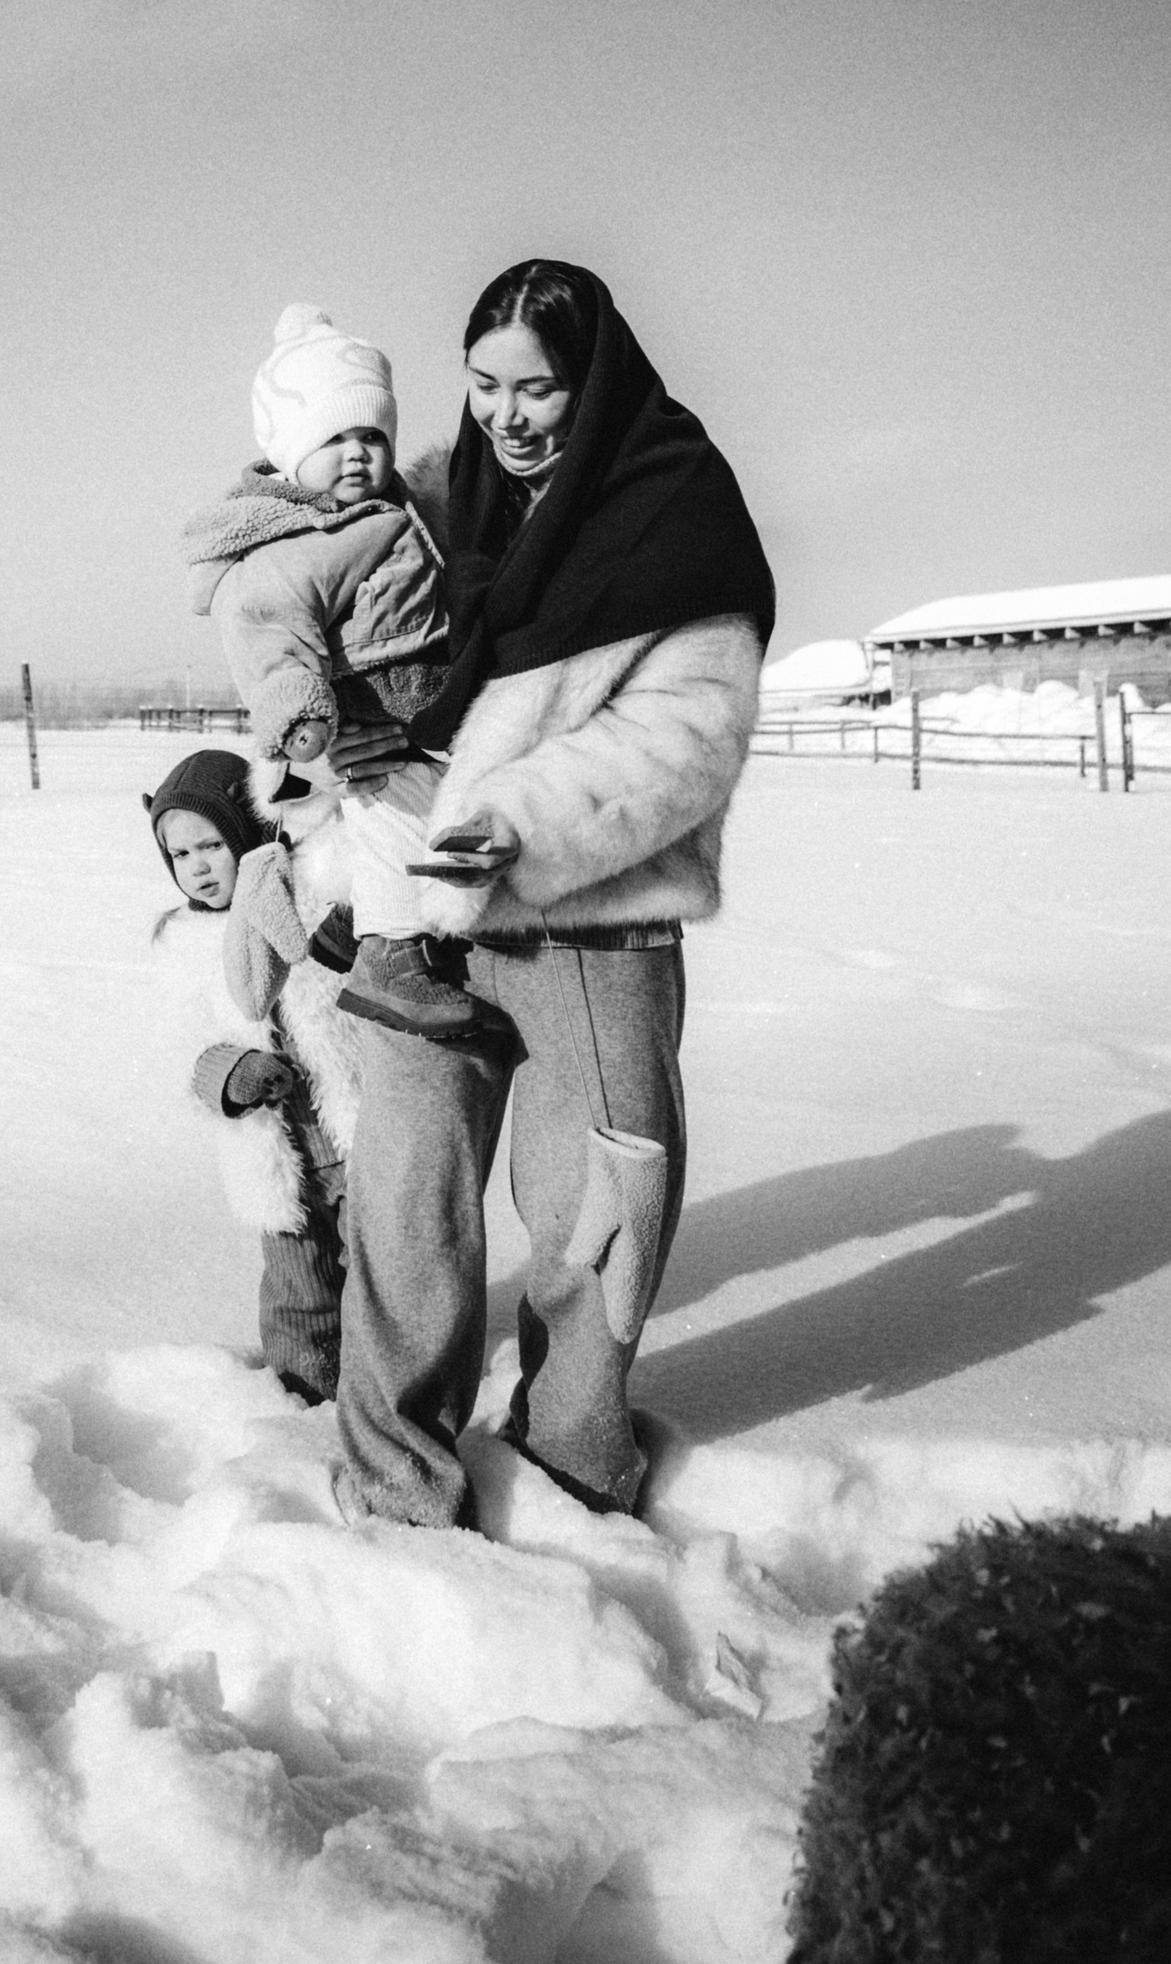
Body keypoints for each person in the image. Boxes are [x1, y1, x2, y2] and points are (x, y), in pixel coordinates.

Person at [330, 259, 776, 1528]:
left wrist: (514, 824)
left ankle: (572, 1466)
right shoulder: (432, 508)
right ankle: (393, 1489)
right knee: (405, 1207)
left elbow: (686, 737)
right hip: (421, 920)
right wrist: (340, 743)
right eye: (483, 384)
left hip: (591, 923)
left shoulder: (677, 511)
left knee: (599, 1214)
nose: (505, 416)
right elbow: (336, 628)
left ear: (597, 380)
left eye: (537, 388)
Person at [181, 306, 493, 1038]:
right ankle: (390, 954)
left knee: (429, 819)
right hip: (363, 717)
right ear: (292, 452)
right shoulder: (303, 541)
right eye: (334, 438)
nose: (358, 454)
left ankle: (368, 929)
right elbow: (269, 626)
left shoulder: (397, 513)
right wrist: (301, 718)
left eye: (373, 437)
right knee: (397, 811)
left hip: (423, 708)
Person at [143, 748, 362, 1404]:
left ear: (251, 829)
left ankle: (384, 1398)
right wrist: (230, 1071)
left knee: (381, 1276)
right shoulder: (182, 940)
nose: (197, 866)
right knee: (299, 1293)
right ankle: (305, 1402)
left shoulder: (309, 900)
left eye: (212, 845)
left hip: (357, 1135)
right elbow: (179, 1044)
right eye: (180, 854)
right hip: (274, 1155)